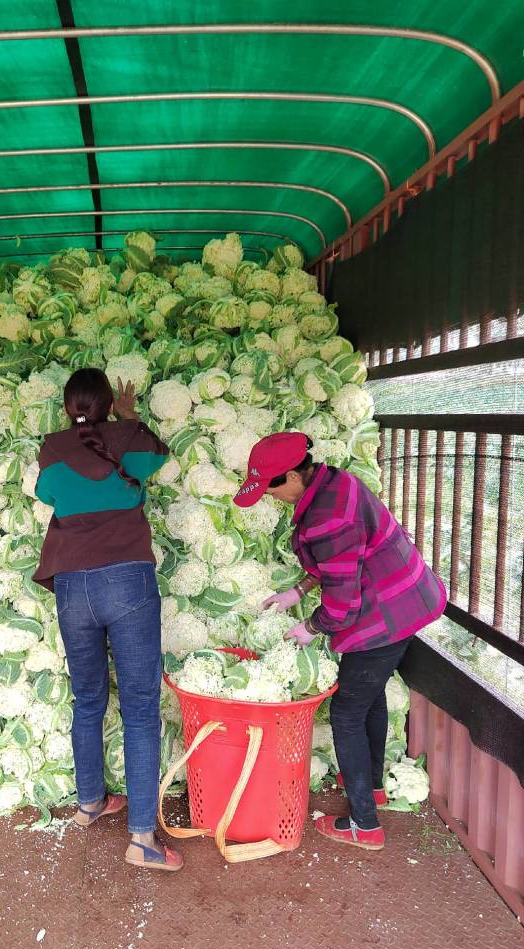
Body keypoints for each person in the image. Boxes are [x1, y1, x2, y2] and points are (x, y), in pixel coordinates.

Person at [233, 431, 446, 851]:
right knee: (371, 697)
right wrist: (299, 590)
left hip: (387, 611)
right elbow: (342, 562)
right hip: (406, 599)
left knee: (347, 713)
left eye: (272, 487)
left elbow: (344, 602)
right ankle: (373, 788)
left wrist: (310, 628)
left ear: (293, 475)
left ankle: (365, 825)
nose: (271, 496)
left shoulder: (328, 517)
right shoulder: (334, 482)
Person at [32, 368, 183, 872]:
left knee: (89, 698)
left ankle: (89, 803)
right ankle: (141, 839)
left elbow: (48, 496)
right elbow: (159, 458)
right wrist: (129, 417)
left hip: (73, 587)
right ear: (106, 405)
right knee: (140, 707)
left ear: (66, 406)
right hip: (128, 583)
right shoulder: (128, 439)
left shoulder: (53, 449)